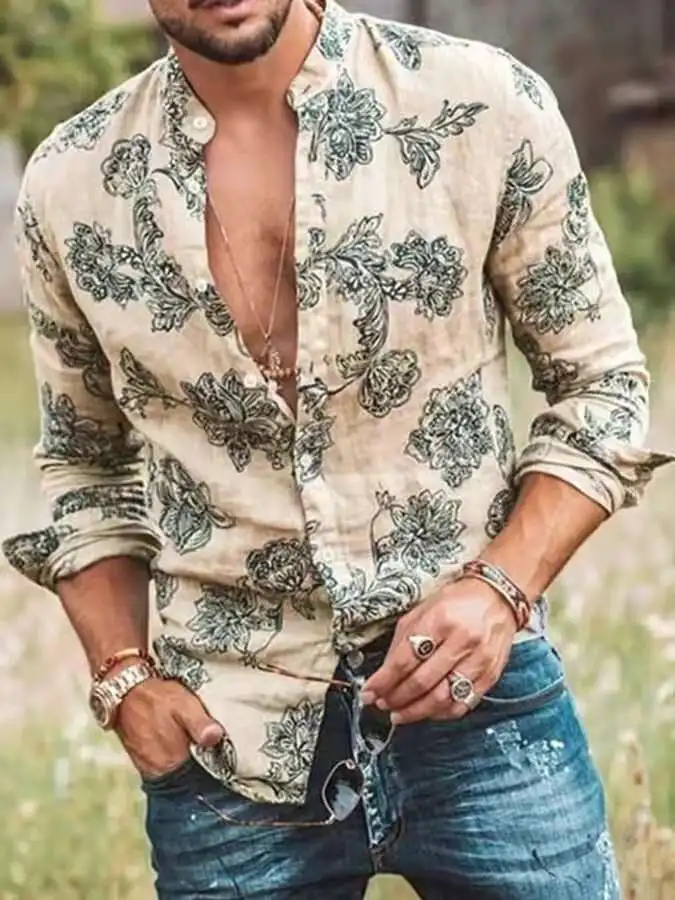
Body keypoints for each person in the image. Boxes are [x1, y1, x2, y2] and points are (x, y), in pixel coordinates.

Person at [4, 0, 669, 896]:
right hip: (227, 738)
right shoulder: (71, 181)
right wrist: (123, 679)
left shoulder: (478, 103)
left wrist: (499, 590)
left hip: (480, 702)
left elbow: (601, 385)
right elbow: (83, 461)